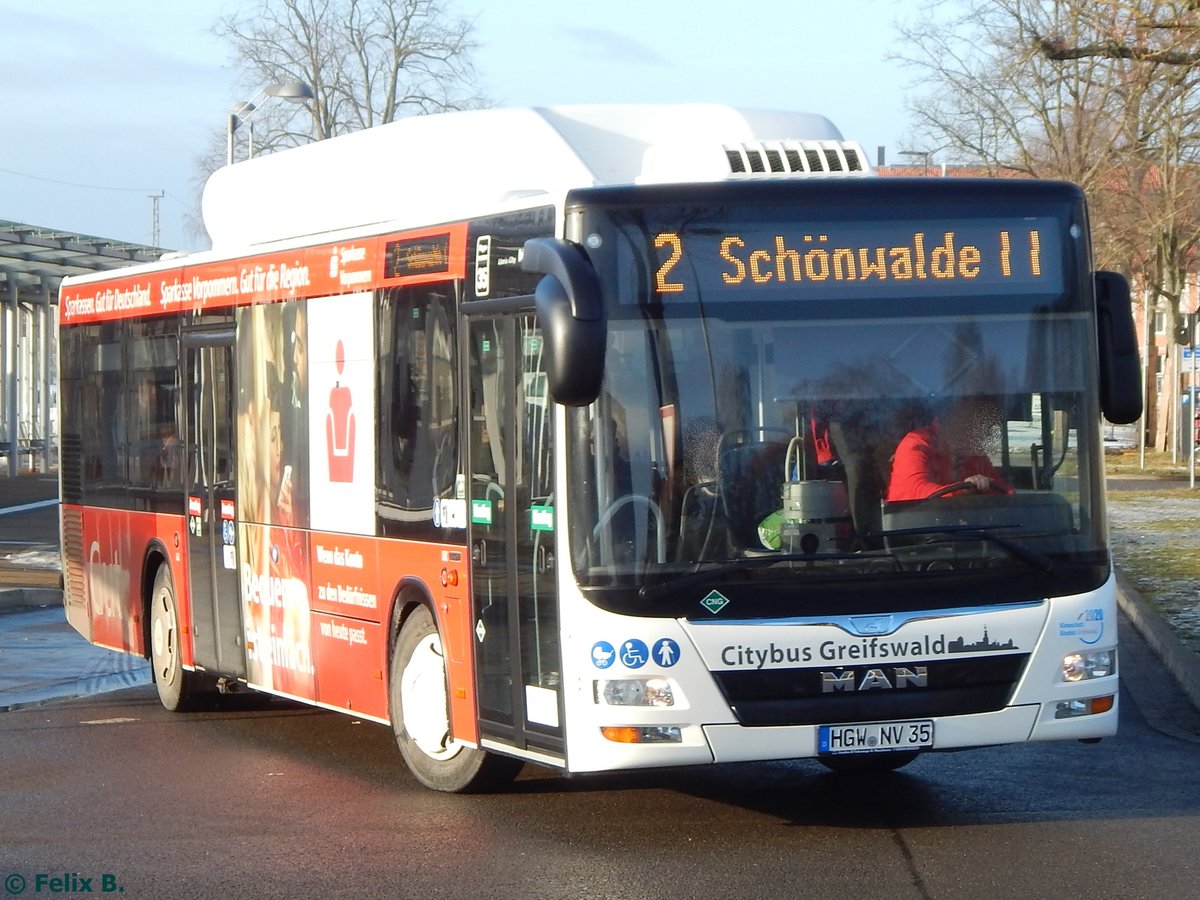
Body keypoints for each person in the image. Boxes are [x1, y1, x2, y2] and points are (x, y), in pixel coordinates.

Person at [886, 396, 1013, 502]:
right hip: (913, 527)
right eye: (982, 419)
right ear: (957, 414)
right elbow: (917, 493)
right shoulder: (916, 442)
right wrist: (962, 489)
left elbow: (1002, 489)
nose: (989, 431)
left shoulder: (974, 455)